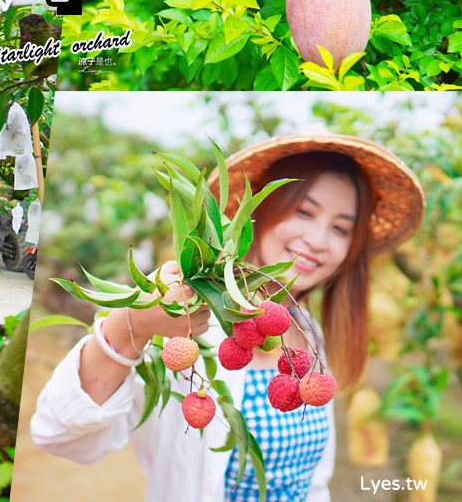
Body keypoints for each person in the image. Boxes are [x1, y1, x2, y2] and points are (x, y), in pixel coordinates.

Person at [30, 134, 424, 502]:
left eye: (340, 228)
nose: (318, 240)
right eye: (304, 212)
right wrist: (132, 325)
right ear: (258, 213)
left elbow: (314, 482)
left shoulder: (308, 331)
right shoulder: (183, 319)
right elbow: (60, 435)